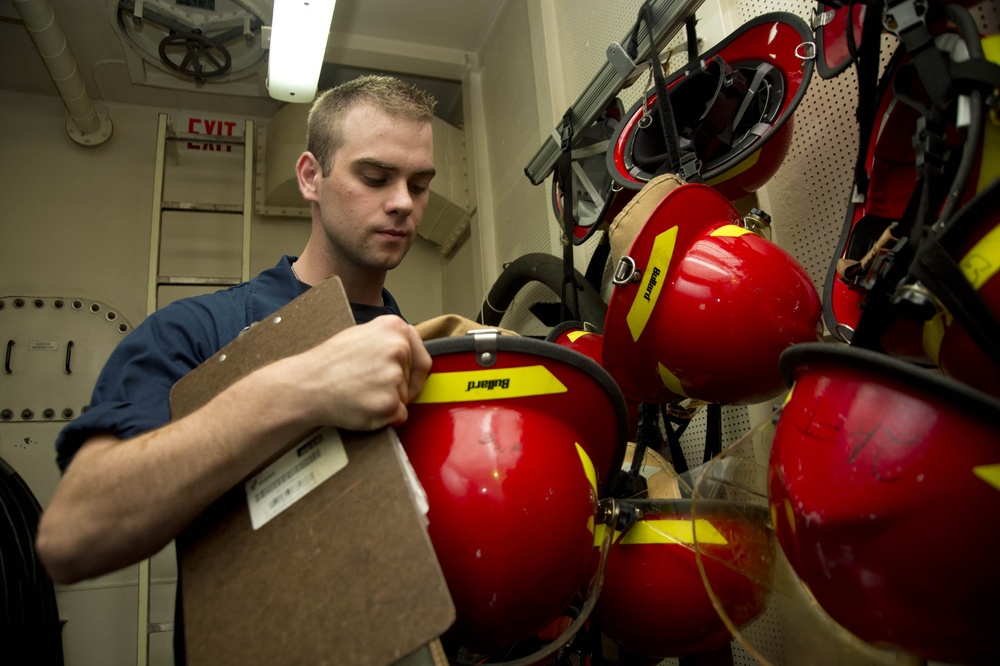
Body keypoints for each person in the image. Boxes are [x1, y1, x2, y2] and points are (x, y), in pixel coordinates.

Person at [35, 75, 437, 590]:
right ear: (311, 177)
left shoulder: (423, 354)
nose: (404, 202)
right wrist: (303, 388)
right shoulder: (195, 331)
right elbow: (71, 536)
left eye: (420, 185)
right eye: (376, 177)